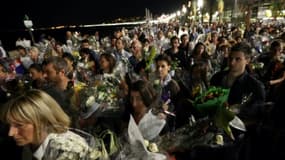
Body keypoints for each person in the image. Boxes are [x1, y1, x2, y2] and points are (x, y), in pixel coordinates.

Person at [0, 89, 106, 160]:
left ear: (42, 121)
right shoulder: (32, 142)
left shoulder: (66, 151)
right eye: (10, 125)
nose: (11, 133)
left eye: (19, 125)